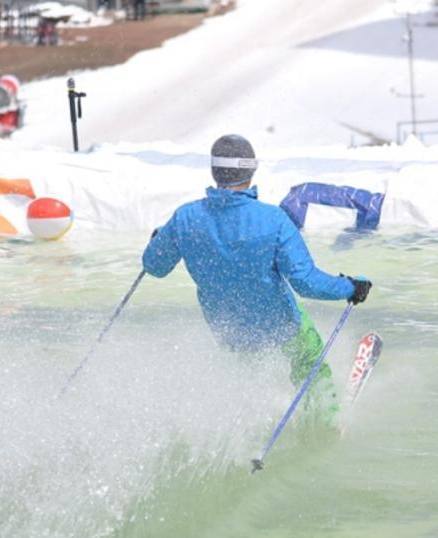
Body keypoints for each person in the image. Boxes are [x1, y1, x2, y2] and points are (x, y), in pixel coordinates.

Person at [142, 134, 372, 421]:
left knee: (250, 382)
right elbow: (306, 282)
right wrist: (350, 287)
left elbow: (154, 267)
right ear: (250, 170)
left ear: (215, 171)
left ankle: (256, 425)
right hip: (281, 323)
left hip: (230, 331)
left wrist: (157, 242)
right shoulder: (273, 219)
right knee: (308, 365)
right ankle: (325, 421)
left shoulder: (185, 218)